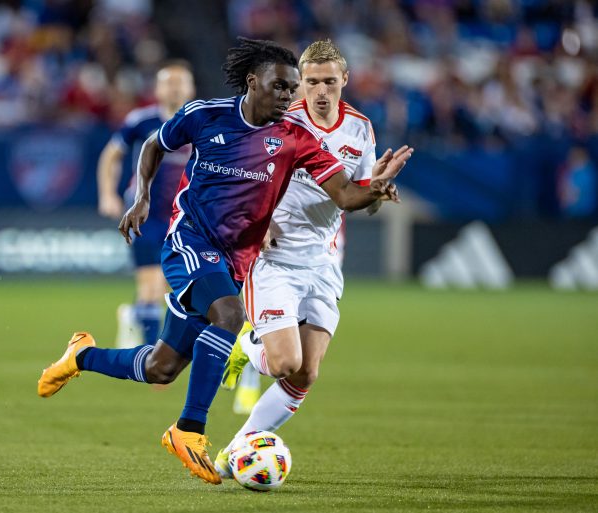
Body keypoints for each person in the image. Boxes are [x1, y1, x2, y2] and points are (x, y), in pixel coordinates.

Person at [37, 37, 411, 485]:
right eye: (281, 87)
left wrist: (376, 188)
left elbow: (345, 195)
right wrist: (141, 198)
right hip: (189, 240)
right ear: (253, 83)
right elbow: (153, 146)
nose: (288, 98)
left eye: (292, 90)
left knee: (163, 366)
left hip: (233, 260)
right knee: (230, 315)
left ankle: (81, 355)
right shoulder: (206, 115)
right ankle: (188, 430)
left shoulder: (296, 140)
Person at [213, 39, 409, 478]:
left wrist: (376, 190)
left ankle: (234, 452)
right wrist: (252, 223)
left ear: (345, 81)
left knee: (306, 374)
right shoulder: (279, 121)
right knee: (284, 362)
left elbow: (361, 200)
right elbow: (235, 179)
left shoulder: (359, 129)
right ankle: (246, 345)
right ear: (301, 83)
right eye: (312, 82)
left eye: (329, 82)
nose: (320, 91)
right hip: (273, 259)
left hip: (323, 261)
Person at [97, 61, 196, 348]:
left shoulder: (199, 121)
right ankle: (151, 355)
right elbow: (111, 155)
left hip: (183, 216)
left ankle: (133, 314)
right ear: (157, 89)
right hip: (146, 213)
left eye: (181, 82)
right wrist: (107, 194)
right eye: (169, 82)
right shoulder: (141, 121)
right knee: (152, 286)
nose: (175, 87)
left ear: (191, 88)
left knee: (174, 285)